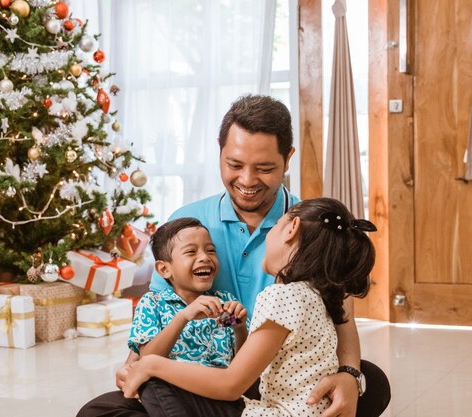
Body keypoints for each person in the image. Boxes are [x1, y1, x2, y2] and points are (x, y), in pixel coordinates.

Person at [76, 95, 390, 417]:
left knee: (373, 380)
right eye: (235, 165)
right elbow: (160, 309)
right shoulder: (187, 223)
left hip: (275, 376)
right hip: (205, 373)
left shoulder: (313, 234)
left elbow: (343, 321)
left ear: (288, 158)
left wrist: (350, 376)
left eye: (265, 168)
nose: (247, 181)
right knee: (98, 412)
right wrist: (136, 365)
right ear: (220, 152)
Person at [122, 198, 378, 417]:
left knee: (156, 386)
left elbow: (231, 383)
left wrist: (151, 365)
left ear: (292, 229)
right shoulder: (317, 293)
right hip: (297, 404)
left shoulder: (281, 296)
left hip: (274, 408)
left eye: (276, 226)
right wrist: (144, 361)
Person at [129, 217, 248, 372]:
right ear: (164, 269)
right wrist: (183, 317)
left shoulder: (225, 301)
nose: (205, 257)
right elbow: (146, 360)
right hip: (169, 387)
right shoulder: (153, 304)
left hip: (217, 387)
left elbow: (242, 367)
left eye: (210, 250)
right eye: (191, 252)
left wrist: (240, 329)